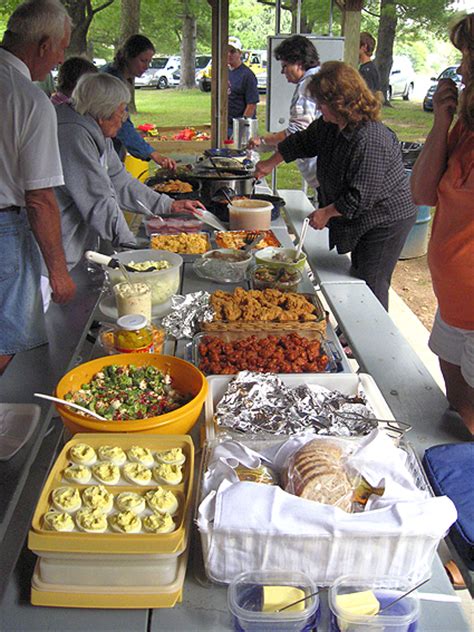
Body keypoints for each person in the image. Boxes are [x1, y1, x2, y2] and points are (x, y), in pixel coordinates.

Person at [256, 61, 417, 311]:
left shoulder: (370, 138)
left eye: (322, 102)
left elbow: (359, 197)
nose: (318, 107)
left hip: (386, 218)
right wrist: (270, 163)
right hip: (364, 208)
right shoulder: (330, 124)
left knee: (371, 278)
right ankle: (354, 328)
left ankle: (368, 334)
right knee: (358, 271)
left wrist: (327, 212)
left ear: (340, 102)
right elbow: (301, 142)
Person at [49, 73, 204, 280]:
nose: (124, 120)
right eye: (121, 112)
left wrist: (167, 205)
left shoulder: (96, 131)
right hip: (53, 253)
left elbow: (120, 181)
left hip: (74, 247)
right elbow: (99, 200)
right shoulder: (74, 135)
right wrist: (132, 248)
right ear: (103, 113)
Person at [0, 0, 75, 374]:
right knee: (10, 347)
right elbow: (40, 199)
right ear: (44, 45)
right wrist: (59, 274)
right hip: (5, 233)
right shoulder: (27, 99)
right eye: (62, 47)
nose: (61, 59)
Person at [411, 13, 474, 434]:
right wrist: (441, 123)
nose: (463, 69)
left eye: (471, 57)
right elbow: (421, 193)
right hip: (451, 306)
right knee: (459, 412)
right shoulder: (464, 130)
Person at [249, 35, 320, 189]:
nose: (282, 72)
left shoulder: (307, 86)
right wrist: (266, 143)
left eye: (285, 65)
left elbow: (297, 133)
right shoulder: (317, 78)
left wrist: (270, 161)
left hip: (323, 171)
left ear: (299, 63)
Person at [101, 34, 176, 169]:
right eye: (143, 60)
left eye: (149, 61)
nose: (146, 66)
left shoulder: (120, 77)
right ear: (128, 57)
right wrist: (153, 154)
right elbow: (122, 127)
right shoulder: (112, 81)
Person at [227, 36, 259, 138]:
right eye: (226, 51)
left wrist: (241, 126)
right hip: (225, 124)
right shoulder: (224, 72)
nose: (229, 54)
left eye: (232, 51)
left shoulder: (247, 75)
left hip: (239, 126)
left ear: (240, 53)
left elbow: (251, 104)